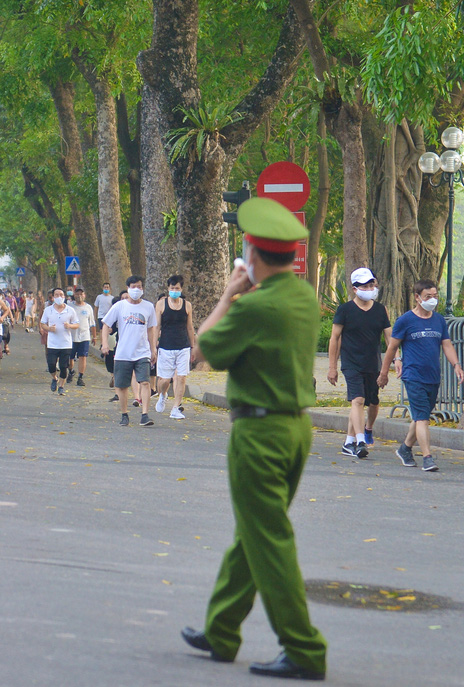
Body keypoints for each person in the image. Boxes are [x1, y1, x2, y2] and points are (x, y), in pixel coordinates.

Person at [181, 197, 326, 681]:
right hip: (296, 429)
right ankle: (221, 629)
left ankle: (304, 649)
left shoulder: (255, 306)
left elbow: (202, 348)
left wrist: (227, 295)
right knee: (254, 533)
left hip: (259, 433)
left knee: (269, 540)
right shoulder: (303, 296)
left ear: (252, 254)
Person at [379, 279, 464, 472]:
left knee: (420, 417)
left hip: (433, 376)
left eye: (435, 296)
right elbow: (392, 347)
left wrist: (456, 365)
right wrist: (384, 373)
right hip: (413, 375)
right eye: (428, 297)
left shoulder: (439, 320)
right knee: (423, 419)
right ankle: (427, 457)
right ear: (417, 298)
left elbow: (447, 344)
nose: (432, 300)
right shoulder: (405, 320)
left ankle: (405, 449)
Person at [328, 268, 393, 459]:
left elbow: (390, 338)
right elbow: (334, 337)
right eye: (365, 285)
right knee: (357, 400)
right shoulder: (345, 310)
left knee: (371, 402)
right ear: (355, 289)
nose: (370, 288)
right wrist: (332, 367)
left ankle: (349, 442)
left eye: (372, 284)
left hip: (373, 363)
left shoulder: (381, 310)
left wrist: (394, 361)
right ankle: (360, 440)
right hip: (351, 363)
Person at [101, 276, 157, 427]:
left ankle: (145, 414)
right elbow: (106, 324)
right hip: (123, 353)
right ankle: (124, 414)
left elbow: (151, 329)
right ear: (128, 288)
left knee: (145, 382)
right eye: (133, 286)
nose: (136, 289)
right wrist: (105, 344)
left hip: (142, 352)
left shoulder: (148, 307)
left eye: (139, 286)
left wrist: (153, 349)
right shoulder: (120, 306)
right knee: (121, 386)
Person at [155, 276, 197, 420]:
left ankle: (175, 408)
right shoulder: (161, 305)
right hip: (166, 346)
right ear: (168, 289)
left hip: (183, 346)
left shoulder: (187, 305)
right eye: (172, 288)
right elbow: (157, 327)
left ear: (181, 289)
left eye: (177, 288)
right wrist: (154, 346)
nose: (174, 291)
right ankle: (163, 395)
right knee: (165, 380)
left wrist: (193, 346)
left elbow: (190, 327)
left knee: (181, 377)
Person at [40, 287, 79, 395]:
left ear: (64, 296)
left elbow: (76, 324)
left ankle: (61, 386)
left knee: (63, 366)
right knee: (51, 364)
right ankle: (54, 378)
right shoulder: (48, 310)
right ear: (53, 297)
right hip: (52, 343)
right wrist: (49, 329)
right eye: (56, 295)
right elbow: (43, 323)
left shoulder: (70, 310)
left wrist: (69, 325)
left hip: (66, 343)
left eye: (61, 295)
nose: (59, 297)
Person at [68, 287, 95, 386]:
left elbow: (92, 323)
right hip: (71, 336)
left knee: (83, 356)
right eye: (77, 294)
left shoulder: (88, 308)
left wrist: (94, 336)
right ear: (74, 295)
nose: (79, 296)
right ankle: (70, 371)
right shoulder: (69, 307)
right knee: (70, 357)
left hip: (84, 336)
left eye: (81, 294)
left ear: (84, 295)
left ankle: (80, 377)